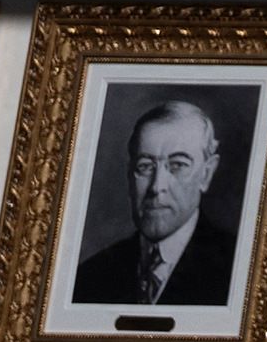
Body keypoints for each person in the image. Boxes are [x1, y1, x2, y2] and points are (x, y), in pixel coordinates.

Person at [79, 97, 239, 311]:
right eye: (145, 166)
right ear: (130, 174)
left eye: (178, 165)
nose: (157, 186)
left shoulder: (239, 270)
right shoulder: (90, 277)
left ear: (206, 174)